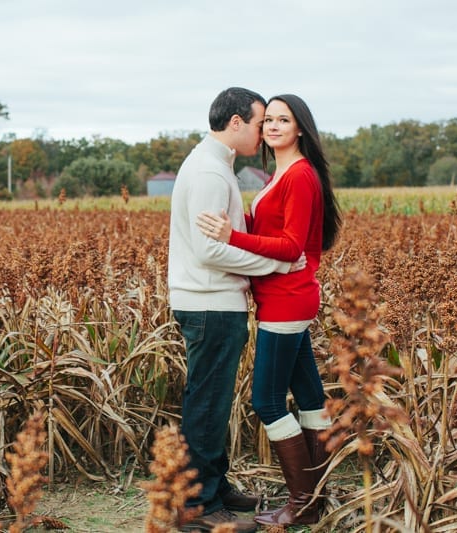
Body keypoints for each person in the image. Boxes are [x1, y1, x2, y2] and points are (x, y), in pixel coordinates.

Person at [196, 93, 342, 527]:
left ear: (301, 129)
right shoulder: (281, 174)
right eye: (270, 120)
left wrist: (230, 236)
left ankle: (302, 502)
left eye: (284, 120)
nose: (274, 126)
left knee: (266, 400)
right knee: (311, 397)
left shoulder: (299, 175)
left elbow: (292, 246)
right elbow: (287, 244)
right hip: (282, 295)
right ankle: (315, 496)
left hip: (287, 298)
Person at [168, 87, 306, 533]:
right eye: (259, 122)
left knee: (211, 401)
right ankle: (200, 509)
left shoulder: (213, 164)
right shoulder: (210, 172)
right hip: (210, 304)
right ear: (235, 123)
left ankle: (214, 485)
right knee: (207, 404)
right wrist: (278, 261)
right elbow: (211, 251)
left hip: (212, 301)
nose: (264, 133)